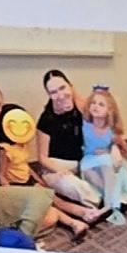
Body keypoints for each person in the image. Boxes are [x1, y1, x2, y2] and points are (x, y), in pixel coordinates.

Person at [0, 82, 76, 244]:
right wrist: (3, 192)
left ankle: (78, 219)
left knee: (50, 212)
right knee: (43, 198)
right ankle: (16, 237)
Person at [32, 69, 102, 211]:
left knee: (109, 164)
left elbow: (97, 123)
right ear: (49, 95)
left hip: (80, 160)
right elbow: (42, 158)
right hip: (54, 166)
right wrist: (61, 170)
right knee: (73, 185)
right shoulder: (46, 119)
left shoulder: (79, 106)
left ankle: (107, 197)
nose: (60, 95)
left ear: (71, 86)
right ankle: (100, 202)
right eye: (54, 92)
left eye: (63, 88)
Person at [77, 84, 127, 223]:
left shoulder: (111, 131)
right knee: (90, 172)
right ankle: (112, 200)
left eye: (101, 104)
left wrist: (112, 147)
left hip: (105, 159)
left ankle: (108, 206)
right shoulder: (85, 125)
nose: (96, 107)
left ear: (109, 111)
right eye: (93, 103)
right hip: (89, 159)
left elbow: (124, 147)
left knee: (106, 167)